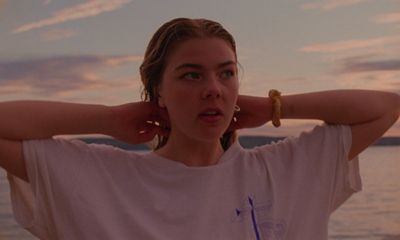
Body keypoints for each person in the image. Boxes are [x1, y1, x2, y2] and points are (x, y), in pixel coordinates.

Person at [0, 18, 399, 240]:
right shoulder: (100, 177)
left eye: (226, 74)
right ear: (159, 90)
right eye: (191, 76)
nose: (213, 89)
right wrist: (107, 119)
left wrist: (275, 107)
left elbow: (385, 106)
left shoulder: (289, 169)